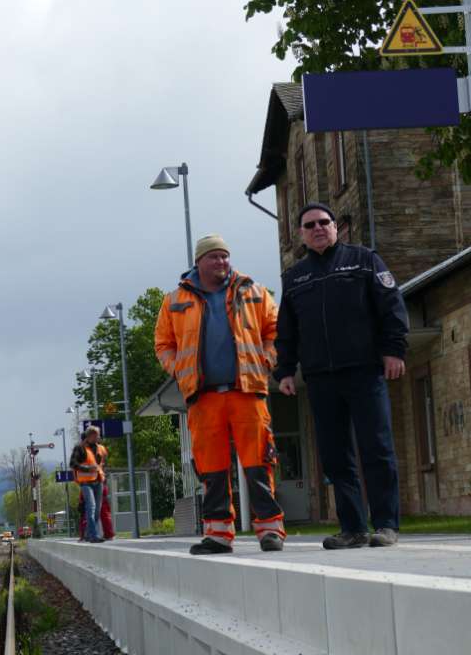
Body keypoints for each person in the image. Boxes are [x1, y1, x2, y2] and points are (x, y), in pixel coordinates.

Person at [274, 202, 408, 549]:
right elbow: (286, 331)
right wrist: (285, 371)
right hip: (320, 378)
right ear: (301, 235)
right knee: (335, 455)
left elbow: (391, 305)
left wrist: (394, 349)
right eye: (310, 225)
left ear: (335, 227)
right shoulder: (294, 278)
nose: (318, 228)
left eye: (324, 222)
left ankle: (386, 524)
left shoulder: (364, 260)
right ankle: (352, 528)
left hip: (364, 371)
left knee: (376, 448)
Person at [155, 233, 286, 554]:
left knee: (258, 463)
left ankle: (270, 530)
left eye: (225, 256)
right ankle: (217, 534)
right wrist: (179, 368)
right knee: (210, 468)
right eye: (214, 256)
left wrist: (267, 359)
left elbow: (275, 331)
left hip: (247, 391)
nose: (222, 261)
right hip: (203, 396)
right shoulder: (174, 301)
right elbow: (163, 344)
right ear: (199, 262)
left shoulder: (253, 291)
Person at [70, 426, 107, 543]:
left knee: (97, 511)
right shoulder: (80, 448)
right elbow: (73, 463)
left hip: (98, 481)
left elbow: (101, 463)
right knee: (91, 508)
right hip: (86, 483)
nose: (98, 438)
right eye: (96, 436)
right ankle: (93, 535)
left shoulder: (99, 448)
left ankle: (88, 533)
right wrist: (86, 469)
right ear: (90, 436)